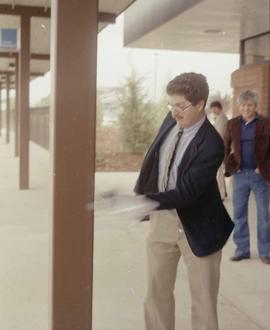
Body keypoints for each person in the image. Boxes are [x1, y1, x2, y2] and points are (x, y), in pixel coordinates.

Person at [134, 72, 234, 330]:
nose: (174, 112)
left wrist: (146, 200)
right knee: (155, 295)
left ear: (200, 104)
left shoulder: (212, 144)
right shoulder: (170, 119)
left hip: (199, 226)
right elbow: (154, 159)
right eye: (171, 105)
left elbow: (187, 193)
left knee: (203, 302)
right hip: (162, 221)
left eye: (181, 106)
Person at [224, 90, 270, 264]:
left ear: (255, 106)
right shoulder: (232, 124)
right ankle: (242, 250)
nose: (246, 108)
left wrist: (264, 167)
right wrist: (229, 165)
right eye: (243, 105)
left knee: (264, 216)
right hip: (240, 176)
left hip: (260, 177)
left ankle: (265, 252)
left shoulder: (266, 123)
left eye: (249, 105)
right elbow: (225, 146)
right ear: (239, 106)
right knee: (239, 215)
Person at [210, 101, 228, 200]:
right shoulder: (219, 118)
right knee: (219, 172)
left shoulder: (222, 118)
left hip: (220, 149)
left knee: (219, 172)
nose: (213, 110)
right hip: (220, 148)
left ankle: (221, 195)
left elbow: (219, 135)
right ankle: (223, 192)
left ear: (219, 108)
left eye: (215, 108)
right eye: (212, 108)